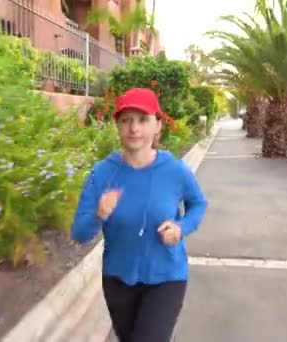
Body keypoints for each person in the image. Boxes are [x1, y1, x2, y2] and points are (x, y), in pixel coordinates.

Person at [70, 87, 208, 342]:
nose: (134, 129)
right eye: (126, 120)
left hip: (167, 277)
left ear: (158, 125)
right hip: (118, 280)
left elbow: (198, 204)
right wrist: (99, 214)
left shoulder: (175, 171)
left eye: (143, 119)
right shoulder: (102, 174)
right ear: (118, 126)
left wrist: (181, 228)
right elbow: (79, 233)